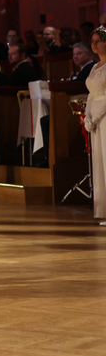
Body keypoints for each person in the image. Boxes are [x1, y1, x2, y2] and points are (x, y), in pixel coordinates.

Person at [82, 27, 106, 226]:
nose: (94, 44)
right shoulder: (94, 67)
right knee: (99, 162)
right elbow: (91, 93)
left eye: (99, 40)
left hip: (104, 116)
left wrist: (96, 116)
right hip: (94, 118)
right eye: (92, 41)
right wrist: (87, 117)